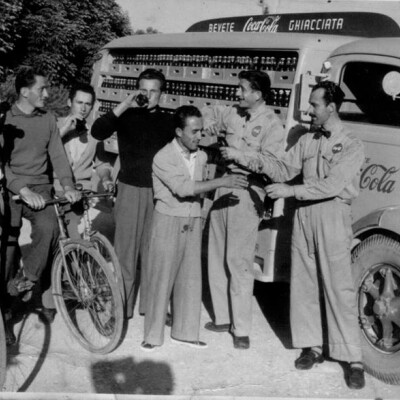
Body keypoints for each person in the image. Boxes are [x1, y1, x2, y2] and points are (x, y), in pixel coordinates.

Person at [247, 81, 366, 389]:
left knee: (338, 286)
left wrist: (290, 190)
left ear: (331, 107)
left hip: (331, 214)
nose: (308, 110)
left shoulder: (351, 144)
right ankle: (312, 347)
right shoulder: (308, 139)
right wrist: (252, 160)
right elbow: (285, 168)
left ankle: (353, 358)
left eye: (314, 105)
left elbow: (331, 186)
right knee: (305, 282)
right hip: (303, 214)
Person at [141, 105, 248, 351]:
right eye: (194, 131)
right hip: (168, 220)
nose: (199, 136)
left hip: (192, 220)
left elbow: (199, 189)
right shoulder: (163, 157)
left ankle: (186, 333)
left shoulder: (199, 156)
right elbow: (183, 188)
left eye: (201, 131)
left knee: (190, 280)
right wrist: (223, 182)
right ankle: (152, 337)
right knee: (161, 279)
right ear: (179, 131)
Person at [201, 70, 285, 349]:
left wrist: (241, 156)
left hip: (248, 191)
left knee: (239, 261)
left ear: (258, 95)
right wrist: (211, 123)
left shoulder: (273, 124)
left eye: (242, 89)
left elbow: (274, 166)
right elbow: (209, 111)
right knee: (216, 254)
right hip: (223, 185)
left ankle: (241, 330)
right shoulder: (233, 112)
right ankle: (222, 317)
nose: (237, 93)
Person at [92, 68, 174, 319]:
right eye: (143, 90)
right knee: (125, 251)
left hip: (158, 191)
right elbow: (97, 131)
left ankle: (152, 307)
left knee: (153, 251)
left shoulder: (169, 120)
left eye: (154, 91)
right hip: (128, 189)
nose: (148, 96)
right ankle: (122, 307)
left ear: (162, 93)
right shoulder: (125, 117)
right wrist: (124, 104)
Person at [1, 66, 81, 326]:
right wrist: (20, 189)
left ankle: (28, 279)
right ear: (24, 92)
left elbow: (57, 155)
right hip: (10, 189)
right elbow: (3, 165)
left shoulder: (47, 118)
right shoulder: (5, 120)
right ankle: (6, 314)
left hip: (40, 188)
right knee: (8, 247)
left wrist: (67, 185)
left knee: (50, 229)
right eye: (41, 89)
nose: (47, 94)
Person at [55, 83, 113, 238]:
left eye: (88, 104)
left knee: (73, 234)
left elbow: (102, 164)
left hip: (80, 191)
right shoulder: (54, 127)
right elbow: (40, 152)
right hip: (55, 190)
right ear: (69, 102)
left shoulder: (95, 132)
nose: (83, 108)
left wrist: (106, 178)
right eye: (79, 103)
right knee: (51, 235)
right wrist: (64, 131)